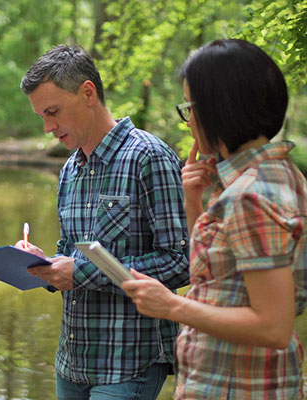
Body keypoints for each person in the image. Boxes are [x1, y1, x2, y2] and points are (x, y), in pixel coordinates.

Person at [122, 39, 307, 399]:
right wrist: (194, 200)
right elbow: (217, 280)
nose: (188, 120)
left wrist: (171, 305)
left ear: (220, 108)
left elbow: (273, 326)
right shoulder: (280, 175)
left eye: (190, 107)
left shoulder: (250, 196)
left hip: (237, 386)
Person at [17, 44, 190, 400]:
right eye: (41, 117)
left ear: (88, 93)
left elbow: (180, 262)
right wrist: (42, 264)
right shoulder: (70, 170)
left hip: (129, 363)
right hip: (72, 363)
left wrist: (78, 272)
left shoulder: (150, 156)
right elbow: (69, 253)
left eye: (53, 112)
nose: (49, 128)